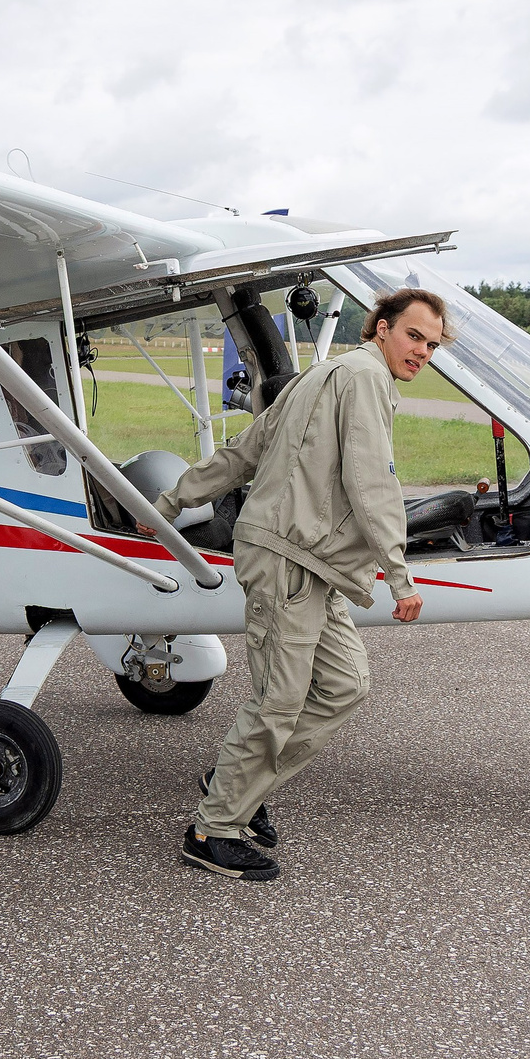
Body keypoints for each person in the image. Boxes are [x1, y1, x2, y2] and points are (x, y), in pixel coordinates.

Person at [139, 288, 446, 881]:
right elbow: (373, 480)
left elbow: (244, 451)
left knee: (344, 684)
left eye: (431, 345)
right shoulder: (365, 379)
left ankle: (234, 781)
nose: (422, 352)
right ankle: (215, 828)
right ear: (380, 329)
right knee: (280, 699)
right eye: (414, 336)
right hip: (289, 556)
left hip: (312, 561)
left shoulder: (319, 376)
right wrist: (400, 575)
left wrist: (174, 498)